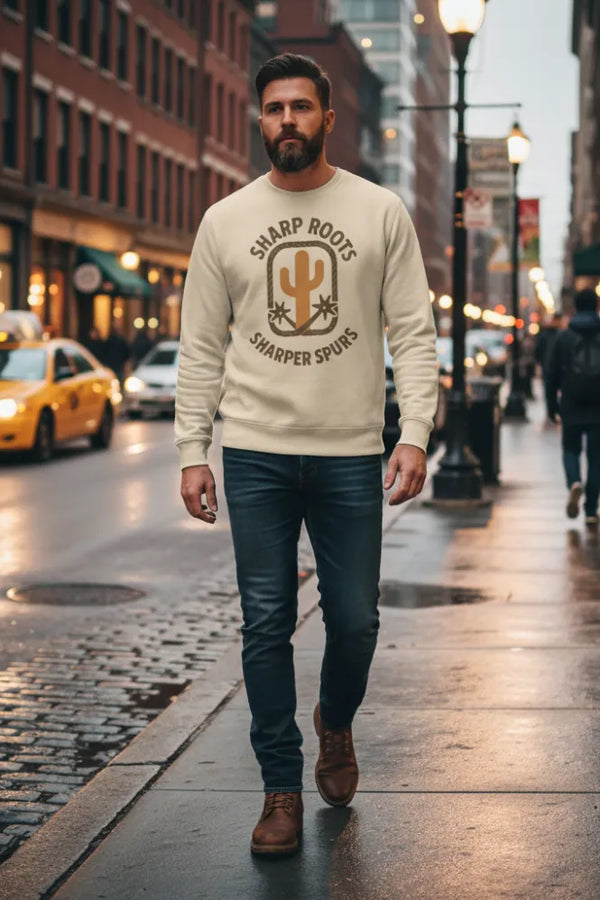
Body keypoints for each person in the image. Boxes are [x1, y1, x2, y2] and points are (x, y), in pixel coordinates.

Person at [175, 54, 438, 857]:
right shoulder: (224, 221)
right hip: (253, 452)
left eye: (300, 108)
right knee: (266, 624)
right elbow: (199, 348)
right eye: (273, 109)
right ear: (259, 120)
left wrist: (416, 433)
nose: (285, 120)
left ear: (328, 119)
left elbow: (414, 335)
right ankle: (280, 790)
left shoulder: (379, 210)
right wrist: (194, 449)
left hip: (349, 454)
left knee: (356, 621)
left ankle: (334, 719)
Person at [545, 288, 600, 530]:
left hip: (571, 404)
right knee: (597, 459)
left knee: (570, 449)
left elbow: (551, 374)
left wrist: (551, 406)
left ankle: (574, 482)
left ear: (575, 308)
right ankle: (591, 511)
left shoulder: (564, 337)